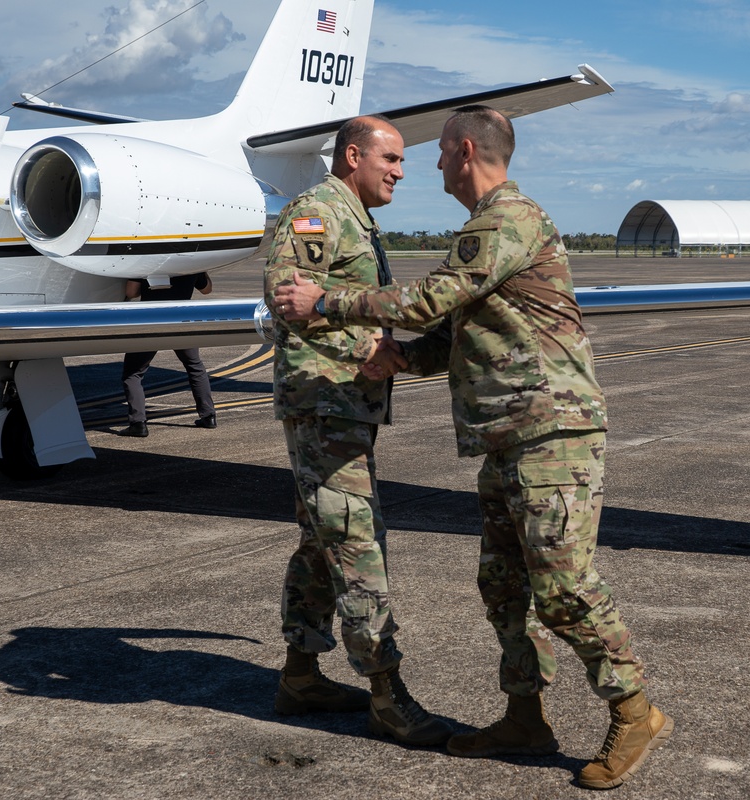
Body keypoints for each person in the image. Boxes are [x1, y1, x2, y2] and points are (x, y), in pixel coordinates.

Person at [274, 105, 673, 789]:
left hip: (552, 432)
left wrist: (329, 305)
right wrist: (398, 358)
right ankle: (525, 716)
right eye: (393, 158)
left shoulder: (508, 221)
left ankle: (633, 708)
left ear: (464, 151)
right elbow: (451, 333)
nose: (420, 168)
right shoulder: (471, 229)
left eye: (428, 156)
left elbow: (431, 299)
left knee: (565, 589)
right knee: (503, 584)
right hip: (509, 435)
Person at [263, 115, 451, 748]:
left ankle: (301, 675)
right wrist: (370, 340)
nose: (401, 171)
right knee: (354, 539)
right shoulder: (319, 213)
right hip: (325, 402)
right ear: (353, 156)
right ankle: (386, 692)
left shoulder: (355, 219)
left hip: (345, 402)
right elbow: (285, 297)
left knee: (323, 537)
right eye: (391, 159)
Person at [118, 273, 217, 437]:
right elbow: (207, 289)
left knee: (133, 373)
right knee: (194, 367)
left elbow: (131, 292)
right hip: (181, 320)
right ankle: (208, 416)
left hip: (151, 321)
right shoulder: (190, 261)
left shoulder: (146, 260)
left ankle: (138, 423)